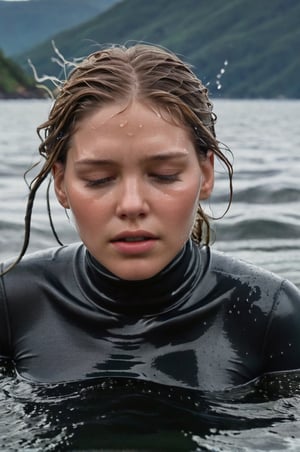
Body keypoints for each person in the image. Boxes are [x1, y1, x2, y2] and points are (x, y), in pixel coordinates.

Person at [0, 43, 300, 392]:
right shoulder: (13, 304)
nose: (131, 204)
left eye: (164, 174)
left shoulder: (268, 313)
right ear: (61, 183)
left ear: (206, 174)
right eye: (98, 179)